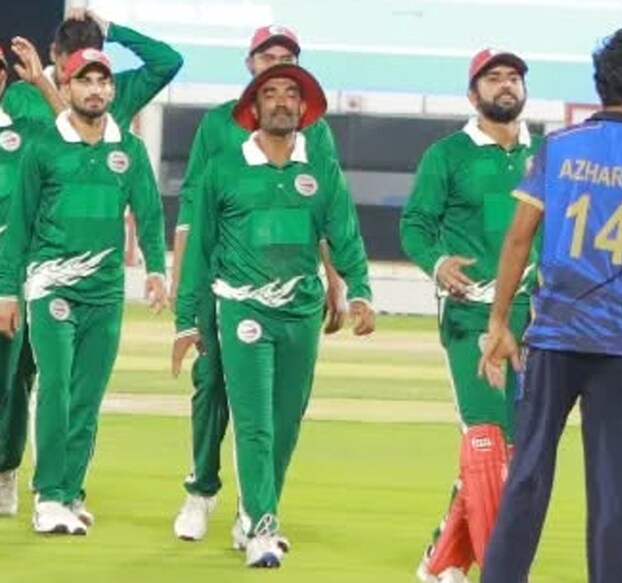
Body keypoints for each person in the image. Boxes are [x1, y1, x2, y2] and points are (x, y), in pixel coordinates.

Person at [477, 28, 622, 583]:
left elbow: (517, 239)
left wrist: (497, 322)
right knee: (613, 488)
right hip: (620, 343)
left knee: (529, 474)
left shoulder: (557, 148)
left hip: (552, 336)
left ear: (598, 82)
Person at [171, 63, 375, 568]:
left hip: (301, 312)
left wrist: (360, 292)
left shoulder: (320, 171)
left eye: (291, 94)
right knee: (255, 423)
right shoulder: (223, 168)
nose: (282, 101)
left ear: (303, 108)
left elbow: (343, 234)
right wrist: (187, 320)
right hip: (243, 309)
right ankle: (264, 529)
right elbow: (199, 253)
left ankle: (252, 511)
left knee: (286, 422)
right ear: (254, 107)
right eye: (271, 93)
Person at [0, 48, 169, 535]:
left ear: (112, 90)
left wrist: (157, 269)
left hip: (105, 288)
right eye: (85, 81)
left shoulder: (129, 150)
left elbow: (149, 213)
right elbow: (19, 226)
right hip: (50, 283)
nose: (96, 90)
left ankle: (70, 491)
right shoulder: (45, 146)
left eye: (103, 81)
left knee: (87, 395)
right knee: (55, 386)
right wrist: (9, 291)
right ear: (67, 88)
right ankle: (48, 496)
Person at [399, 48, 539, 583]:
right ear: (472, 94)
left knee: (517, 448)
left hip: (534, 318)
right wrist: (436, 263)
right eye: (493, 78)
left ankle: (442, 560)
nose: (506, 86)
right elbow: (414, 225)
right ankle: (500, 569)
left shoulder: (546, 153)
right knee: (485, 439)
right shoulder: (448, 155)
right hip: (470, 316)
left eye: (514, 78)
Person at [3, 7, 183, 126]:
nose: (71, 82)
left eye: (82, 73)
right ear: (53, 53)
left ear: (99, 60)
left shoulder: (117, 93)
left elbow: (169, 61)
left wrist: (110, 29)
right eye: (66, 69)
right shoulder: (20, 96)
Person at [0, 46, 40, 518]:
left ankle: (6, 470)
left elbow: (78, 136)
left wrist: (42, 84)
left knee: (10, 381)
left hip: (9, 279)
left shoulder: (25, 134)